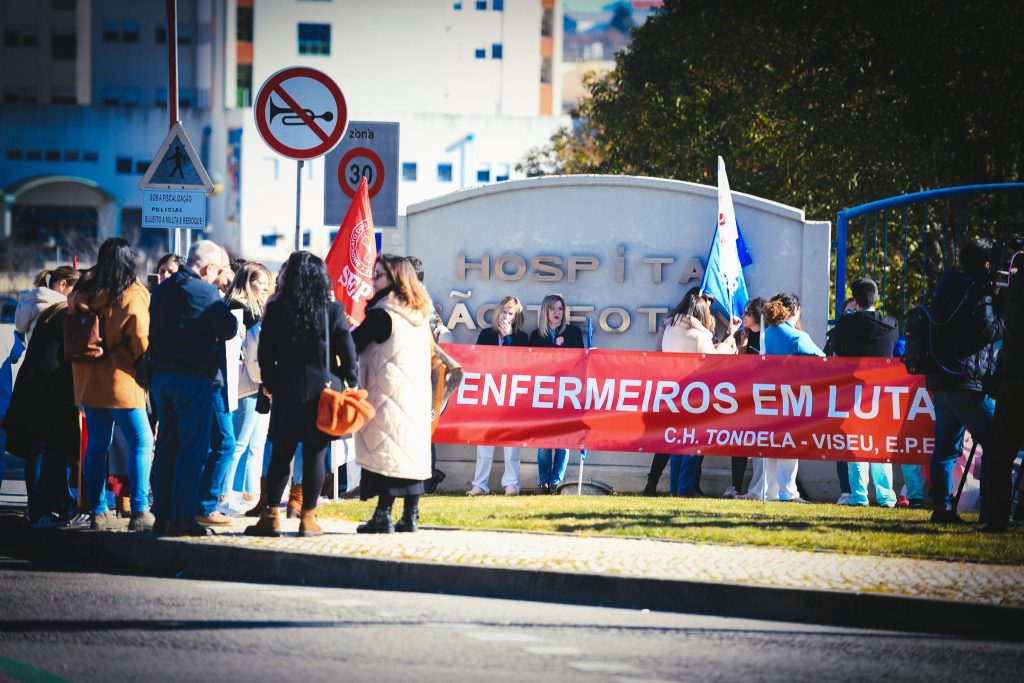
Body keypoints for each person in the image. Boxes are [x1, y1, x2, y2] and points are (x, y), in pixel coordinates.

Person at [246, 251, 357, 537]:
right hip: (323, 391)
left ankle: (271, 516)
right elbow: (348, 352)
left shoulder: (276, 308)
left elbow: (265, 353)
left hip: (286, 390)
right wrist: (351, 381)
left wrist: (270, 383)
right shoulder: (333, 309)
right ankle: (308, 518)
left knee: (281, 454)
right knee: (315, 455)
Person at [149, 240, 237, 537]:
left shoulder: (162, 289)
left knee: (166, 447)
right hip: (192, 379)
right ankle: (182, 517)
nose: (219, 276)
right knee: (193, 449)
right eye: (219, 270)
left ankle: (162, 515)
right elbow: (229, 328)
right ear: (209, 267)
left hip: (161, 377)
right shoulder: (205, 292)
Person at [68, 239, 155, 531]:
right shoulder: (132, 293)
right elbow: (140, 337)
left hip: (90, 383)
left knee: (96, 446)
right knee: (142, 442)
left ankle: (98, 511)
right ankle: (140, 510)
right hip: (123, 381)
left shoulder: (84, 292)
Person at [351, 254, 433, 533]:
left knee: (387, 456)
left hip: (387, 394)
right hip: (415, 397)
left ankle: (382, 515)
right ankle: (411, 515)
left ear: (394, 278)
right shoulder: (419, 314)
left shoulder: (383, 313)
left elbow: (354, 342)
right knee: (409, 455)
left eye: (378, 275)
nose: (373, 280)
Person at [925, 238, 1004, 523]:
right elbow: (985, 331)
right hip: (966, 380)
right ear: (987, 264)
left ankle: (942, 508)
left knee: (946, 448)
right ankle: (992, 509)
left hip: (942, 377)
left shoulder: (947, 286)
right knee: (997, 442)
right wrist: (1005, 315)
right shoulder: (978, 292)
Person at [3, 267, 80, 525]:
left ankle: (48, 503)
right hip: (50, 386)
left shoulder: (39, 306)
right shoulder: (63, 312)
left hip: (33, 382)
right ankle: (42, 507)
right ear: (63, 285)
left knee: (40, 450)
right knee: (52, 450)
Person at [741, 292, 824, 503]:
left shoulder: (768, 332)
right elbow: (823, 360)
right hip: (791, 398)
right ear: (795, 310)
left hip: (767, 397)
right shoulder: (797, 337)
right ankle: (788, 492)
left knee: (771, 444)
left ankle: (769, 492)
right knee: (788, 444)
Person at [655, 288, 737, 497]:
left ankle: (675, 488)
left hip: (673, 392)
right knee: (692, 441)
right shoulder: (698, 335)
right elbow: (714, 361)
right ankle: (685, 489)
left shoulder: (670, 329)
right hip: (695, 394)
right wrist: (729, 341)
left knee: (676, 443)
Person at [825, 278, 899, 508]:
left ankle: (859, 495)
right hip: (882, 394)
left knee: (856, 444)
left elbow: (836, 350)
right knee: (881, 444)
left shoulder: (846, 326)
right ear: (876, 299)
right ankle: (886, 496)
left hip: (852, 391)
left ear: (855, 301)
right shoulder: (891, 324)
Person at [219, 262, 272, 515]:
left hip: (255, 381)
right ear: (246, 283)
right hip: (247, 381)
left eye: (267, 283)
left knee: (254, 443)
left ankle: (248, 494)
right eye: (259, 283)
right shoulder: (241, 308)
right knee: (239, 443)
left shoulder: (255, 307)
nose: (264, 288)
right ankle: (224, 494)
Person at [467, 296, 529, 496]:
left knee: (511, 442)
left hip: (512, 395)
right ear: (498, 312)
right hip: (488, 392)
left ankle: (511, 483)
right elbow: (478, 360)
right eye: (504, 311)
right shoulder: (486, 334)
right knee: (484, 441)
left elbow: (520, 364)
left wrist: (508, 338)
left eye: (511, 313)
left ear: (516, 317)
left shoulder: (522, 338)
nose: (506, 316)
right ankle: (479, 484)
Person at [980, 255, 1023, 531]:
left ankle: (997, 517)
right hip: (1013, 374)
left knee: (1001, 451)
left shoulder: (1015, 289)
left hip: (1014, 377)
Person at [528, 294, 584, 494]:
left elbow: (580, 360)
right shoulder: (536, 336)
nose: (556, 313)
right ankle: (544, 482)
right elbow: (530, 364)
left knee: (563, 441)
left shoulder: (573, 332)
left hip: (567, 393)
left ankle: (556, 483)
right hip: (543, 394)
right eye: (552, 309)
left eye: (560, 309)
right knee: (544, 442)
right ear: (545, 311)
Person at [723, 296, 767, 498]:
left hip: (763, 398)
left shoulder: (768, 337)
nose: (744, 315)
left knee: (764, 443)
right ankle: (735, 486)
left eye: (748, 312)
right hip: (742, 395)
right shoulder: (743, 335)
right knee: (739, 441)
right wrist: (736, 337)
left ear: (758, 315)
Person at [15, 267, 76, 348]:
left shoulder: (34, 304)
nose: (76, 293)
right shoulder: (61, 311)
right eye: (75, 289)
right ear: (62, 284)